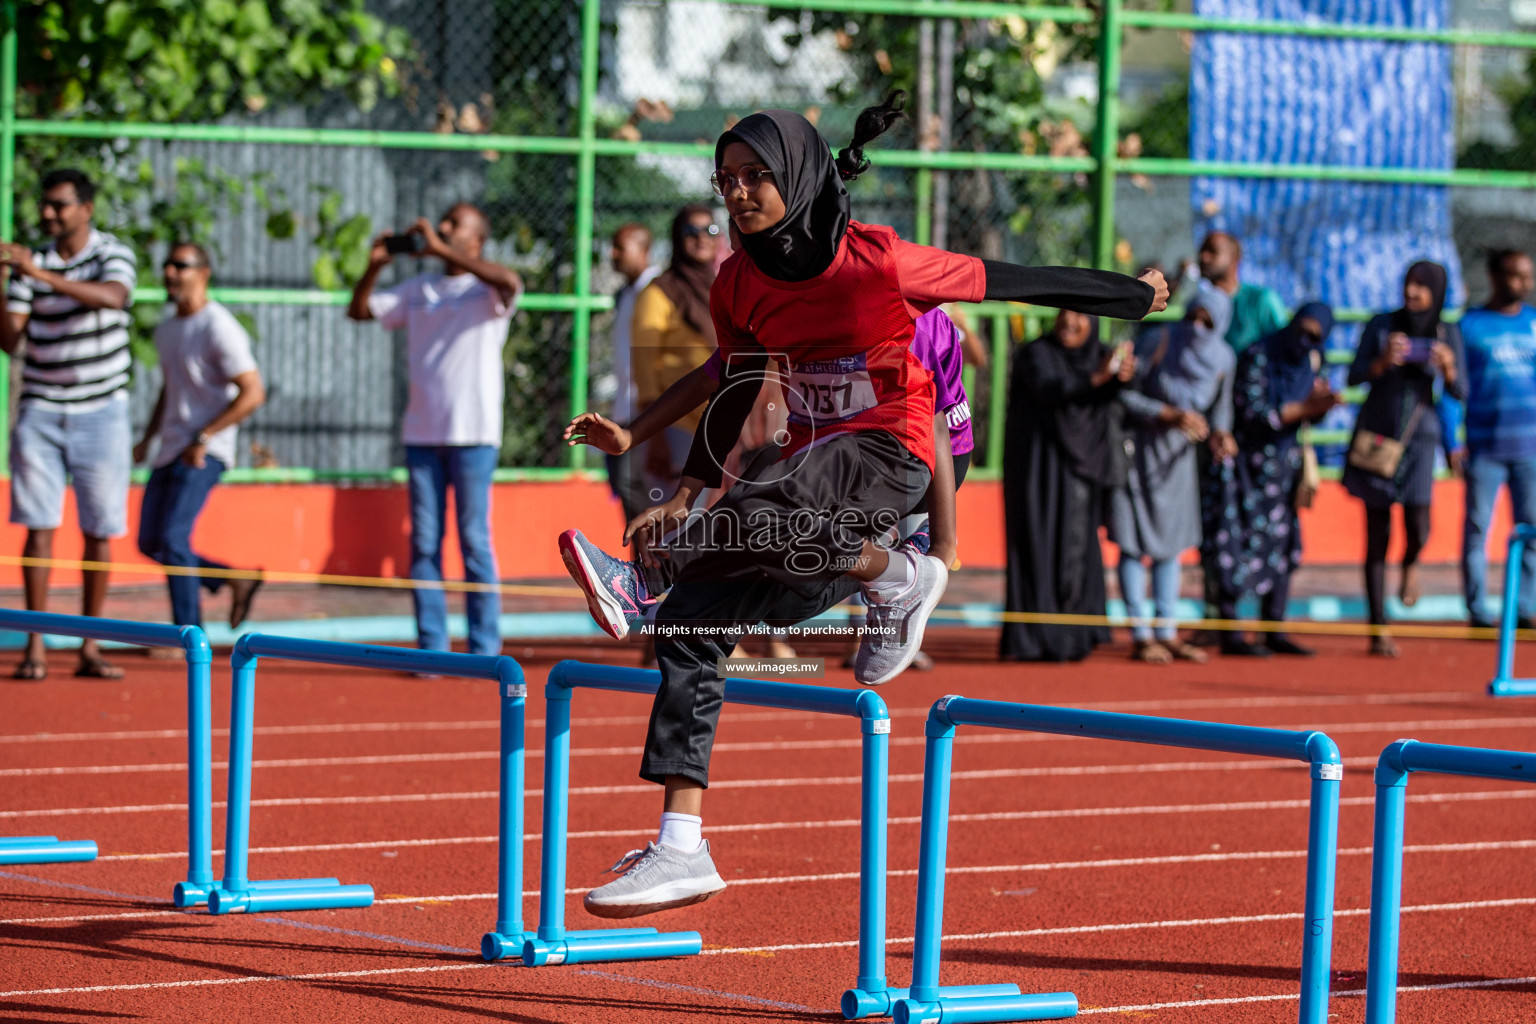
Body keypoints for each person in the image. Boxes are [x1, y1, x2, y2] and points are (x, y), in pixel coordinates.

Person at [554, 96, 1166, 920]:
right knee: (694, 623)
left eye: (755, 178)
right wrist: (682, 478)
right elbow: (731, 386)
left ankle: (655, 582)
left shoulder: (879, 263)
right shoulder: (738, 281)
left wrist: (1131, 295)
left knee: (769, 501)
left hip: (889, 453)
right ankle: (680, 844)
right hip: (817, 488)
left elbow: (1011, 282)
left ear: (798, 178)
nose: (735, 195)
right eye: (725, 180)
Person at [348, 204, 522, 656]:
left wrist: (441, 248)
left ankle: (484, 649)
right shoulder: (418, 288)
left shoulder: (488, 290)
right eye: (442, 224)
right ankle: (432, 647)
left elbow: (511, 283)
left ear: (476, 241)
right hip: (422, 435)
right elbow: (360, 310)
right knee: (425, 542)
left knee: (474, 540)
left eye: (453, 226)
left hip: (474, 435)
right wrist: (373, 268)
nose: (441, 229)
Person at [0, 168, 136, 680]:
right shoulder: (29, 266)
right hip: (40, 407)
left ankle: (90, 645)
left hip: (102, 410)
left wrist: (39, 276)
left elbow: (113, 297)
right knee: (38, 528)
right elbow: (10, 341)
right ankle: (35, 644)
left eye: (60, 205)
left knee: (99, 528)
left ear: (87, 208)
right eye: (46, 205)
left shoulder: (112, 253)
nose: (49, 214)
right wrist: (5, 282)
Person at [133, 243, 266, 630]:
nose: (171, 273)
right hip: (171, 447)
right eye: (167, 265)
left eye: (181, 266)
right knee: (151, 542)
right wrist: (148, 436)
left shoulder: (219, 327)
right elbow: (172, 388)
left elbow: (253, 392)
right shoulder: (168, 328)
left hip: (204, 451)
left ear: (203, 273)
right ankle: (232, 578)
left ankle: (188, 635)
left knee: (174, 540)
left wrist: (205, 436)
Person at [1343, 260, 1467, 657]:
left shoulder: (1447, 331)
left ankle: (1412, 563)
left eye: (1421, 286)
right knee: (1376, 534)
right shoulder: (1382, 324)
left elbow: (1461, 390)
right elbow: (1353, 376)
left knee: (1419, 524)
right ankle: (1378, 626)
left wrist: (1447, 369)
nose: (1412, 292)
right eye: (1408, 283)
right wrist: (1382, 362)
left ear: (1438, 291)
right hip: (1378, 434)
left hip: (1421, 438)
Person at [1201, 304, 1340, 656]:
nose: (1304, 341)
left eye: (1314, 337)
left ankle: (1273, 627)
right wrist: (1304, 410)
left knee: (1282, 546)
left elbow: (1310, 412)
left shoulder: (1312, 361)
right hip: (1247, 464)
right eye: (1301, 331)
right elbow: (1253, 412)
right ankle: (1232, 631)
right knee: (1235, 539)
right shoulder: (1259, 355)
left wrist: (1319, 408)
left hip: (1285, 467)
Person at [1001, 311, 1134, 662]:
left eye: (1079, 314)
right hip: (1037, 471)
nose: (1069, 321)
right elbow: (1050, 389)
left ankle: (1074, 636)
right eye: (1063, 312)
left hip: (1082, 470)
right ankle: (1037, 639)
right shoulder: (1036, 354)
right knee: (1037, 545)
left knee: (1076, 549)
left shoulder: (1099, 354)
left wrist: (1120, 377)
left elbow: (1112, 400)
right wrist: (1097, 378)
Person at [1111, 286, 1234, 664]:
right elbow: (1123, 395)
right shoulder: (1159, 340)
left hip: (1179, 464)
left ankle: (1166, 631)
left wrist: (1220, 437)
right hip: (1139, 454)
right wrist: (1168, 415)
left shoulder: (1224, 359)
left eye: (1207, 321)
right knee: (1132, 543)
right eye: (1193, 316)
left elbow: (1220, 412)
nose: (1197, 326)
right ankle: (1140, 634)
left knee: (1171, 546)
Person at [1459, 249, 1536, 629]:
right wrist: (1453, 439)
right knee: (1477, 529)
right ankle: (1478, 610)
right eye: (1517, 276)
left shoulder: (1534, 322)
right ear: (1494, 276)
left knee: (1531, 530)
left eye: (1529, 276)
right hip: (1485, 447)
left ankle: (1523, 608)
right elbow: (1454, 389)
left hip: (1530, 448)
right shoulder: (1470, 325)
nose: (1525, 284)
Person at [632, 205, 720, 502]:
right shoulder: (659, 292)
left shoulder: (723, 289)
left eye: (709, 230)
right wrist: (655, 436)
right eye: (690, 231)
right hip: (675, 425)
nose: (701, 238)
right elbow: (644, 371)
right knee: (674, 525)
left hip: (721, 425)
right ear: (676, 239)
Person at [605, 223, 659, 524]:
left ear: (644, 252)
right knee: (626, 491)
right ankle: (641, 567)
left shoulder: (657, 291)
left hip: (648, 411)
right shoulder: (626, 294)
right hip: (625, 410)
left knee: (639, 492)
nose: (613, 254)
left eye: (620, 248)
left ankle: (651, 569)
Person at [1197, 231, 1289, 354]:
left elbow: (1285, 346)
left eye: (1212, 251)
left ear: (1234, 258)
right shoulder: (1199, 304)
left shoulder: (1261, 300)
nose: (1204, 257)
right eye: (1202, 251)